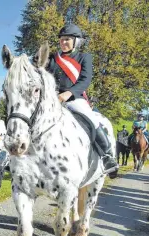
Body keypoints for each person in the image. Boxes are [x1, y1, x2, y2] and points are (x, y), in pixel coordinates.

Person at [46, 23, 118, 174]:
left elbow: (85, 80)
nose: (63, 42)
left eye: (67, 39)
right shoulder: (53, 58)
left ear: (76, 41)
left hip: (74, 98)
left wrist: (68, 93)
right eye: (62, 39)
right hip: (53, 99)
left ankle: (107, 156)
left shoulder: (84, 57)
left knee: (91, 118)